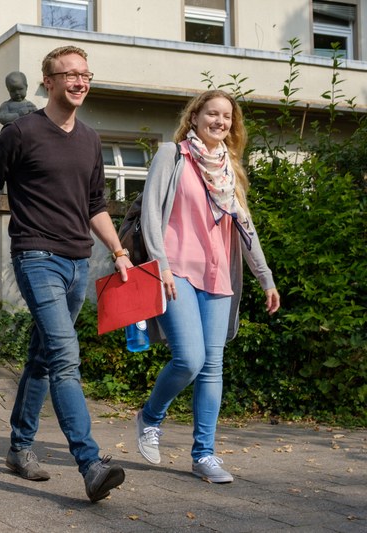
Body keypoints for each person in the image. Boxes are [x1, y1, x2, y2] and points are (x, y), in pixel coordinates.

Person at [0, 46, 131, 503]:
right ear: (49, 82)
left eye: (86, 74)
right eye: (71, 75)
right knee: (66, 357)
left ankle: (20, 448)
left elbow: (95, 207)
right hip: (36, 256)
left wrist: (119, 251)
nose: (80, 82)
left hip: (77, 262)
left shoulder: (90, 139)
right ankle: (90, 463)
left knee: (44, 358)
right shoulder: (21, 133)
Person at [135, 89, 281, 483]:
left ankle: (204, 455)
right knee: (189, 359)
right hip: (176, 271)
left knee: (213, 367)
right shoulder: (173, 154)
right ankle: (150, 416)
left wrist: (264, 278)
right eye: (212, 114)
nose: (220, 121)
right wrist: (159, 264)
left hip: (218, 276)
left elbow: (245, 228)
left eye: (227, 117)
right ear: (195, 116)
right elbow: (151, 211)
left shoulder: (229, 167)